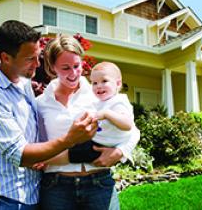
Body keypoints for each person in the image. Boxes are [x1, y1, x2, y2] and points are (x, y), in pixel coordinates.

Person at [0, 20, 98, 210]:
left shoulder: (23, 83)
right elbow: (21, 155)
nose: (37, 65)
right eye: (30, 59)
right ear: (5, 58)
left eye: (38, 57)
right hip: (5, 200)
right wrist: (70, 139)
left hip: (33, 194)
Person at [37, 35, 140, 210]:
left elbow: (133, 130)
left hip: (98, 183)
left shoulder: (98, 92)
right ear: (52, 67)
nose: (73, 73)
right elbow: (39, 144)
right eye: (65, 68)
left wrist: (120, 152)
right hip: (57, 186)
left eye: (77, 66)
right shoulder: (41, 103)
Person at [45, 61, 136, 165]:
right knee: (74, 148)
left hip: (104, 145)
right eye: (94, 83)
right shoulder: (99, 101)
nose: (99, 86)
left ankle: (45, 162)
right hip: (98, 141)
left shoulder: (118, 101)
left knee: (73, 154)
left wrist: (107, 114)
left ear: (118, 84)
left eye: (104, 81)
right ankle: (45, 160)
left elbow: (128, 125)